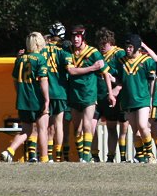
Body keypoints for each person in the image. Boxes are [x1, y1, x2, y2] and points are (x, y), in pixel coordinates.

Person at [66, 24, 116, 162]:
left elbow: (105, 73)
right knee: (76, 128)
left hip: (89, 94)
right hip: (74, 94)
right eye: (73, 36)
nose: (75, 39)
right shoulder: (68, 51)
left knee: (88, 124)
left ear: (83, 38)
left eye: (78, 36)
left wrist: (110, 93)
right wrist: (92, 68)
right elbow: (71, 71)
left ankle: (86, 157)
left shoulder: (93, 52)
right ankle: (82, 154)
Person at [1, 32, 50, 163]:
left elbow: (15, 81)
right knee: (42, 129)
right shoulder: (40, 59)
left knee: (26, 130)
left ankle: (10, 150)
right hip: (36, 99)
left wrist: (20, 94)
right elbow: (43, 81)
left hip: (23, 101)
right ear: (39, 43)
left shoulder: (20, 59)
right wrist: (46, 99)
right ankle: (44, 158)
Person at [115, 34, 157, 163]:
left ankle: (150, 155)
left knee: (143, 126)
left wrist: (150, 101)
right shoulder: (121, 61)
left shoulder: (146, 61)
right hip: (128, 99)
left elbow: (152, 82)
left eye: (130, 47)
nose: (127, 49)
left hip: (142, 99)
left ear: (137, 47)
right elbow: (118, 80)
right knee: (135, 130)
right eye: (126, 46)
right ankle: (140, 156)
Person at [90, 27, 128, 163]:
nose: (102, 47)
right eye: (100, 44)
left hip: (113, 97)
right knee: (90, 126)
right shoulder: (97, 55)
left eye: (104, 44)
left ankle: (111, 157)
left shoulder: (119, 54)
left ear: (111, 42)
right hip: (97, 96)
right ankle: (94, 156)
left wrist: (118, 87)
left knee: (112, 127)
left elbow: (127, 75)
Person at [42, 22, 71, 162]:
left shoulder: (41, 48)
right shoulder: (63, 50)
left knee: (46, 125)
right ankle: (58, 157)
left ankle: (46, 156)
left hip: (44, 91)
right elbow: (70, 69)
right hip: (59, 91)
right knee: (59, 124)